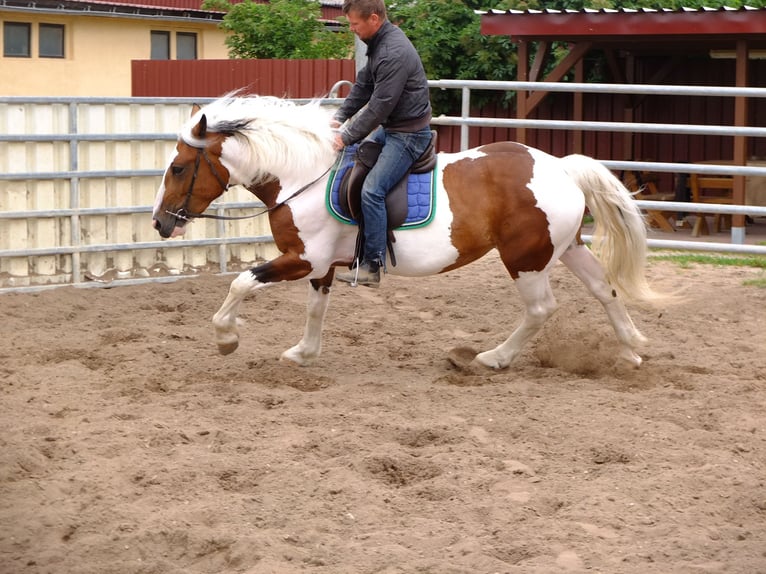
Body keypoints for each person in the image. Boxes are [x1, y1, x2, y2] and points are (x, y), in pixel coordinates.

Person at [332, 0, 433, 287]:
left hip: (408, 135)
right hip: (392, 128)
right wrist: (340, 116)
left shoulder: (392, 52)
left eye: (355, 24)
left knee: (372, 190)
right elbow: (364, 85)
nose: (352, 29)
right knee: (353, 166)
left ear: (373, 18)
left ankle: (372, 264)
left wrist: (346, 136)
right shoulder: (378, 42)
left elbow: (380, 106)